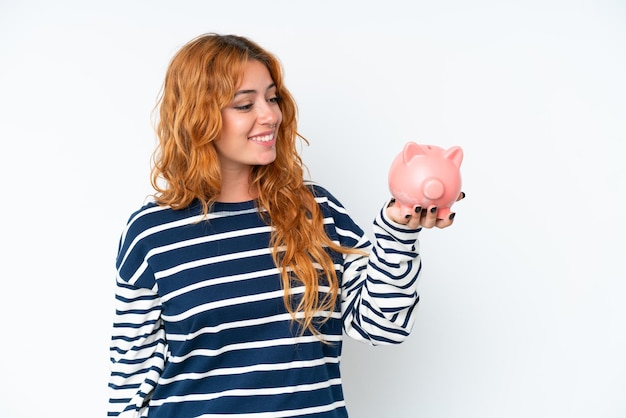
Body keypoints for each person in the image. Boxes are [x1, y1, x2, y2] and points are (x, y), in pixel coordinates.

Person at [108, 33, 463, 418]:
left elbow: (382, 326)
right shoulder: (151, 233)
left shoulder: (316, 210)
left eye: (272, 98)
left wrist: (399, 229)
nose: (270, 115)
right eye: (245, 104)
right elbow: (132, 378)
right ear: (198, 118)